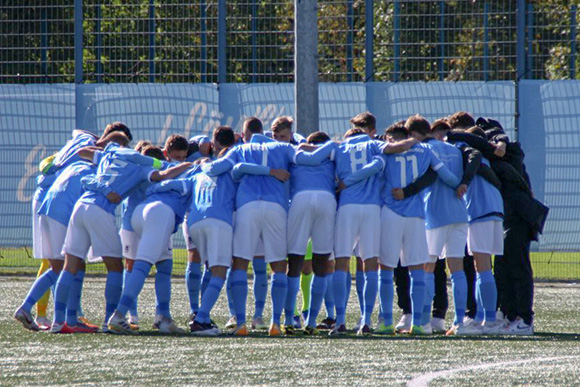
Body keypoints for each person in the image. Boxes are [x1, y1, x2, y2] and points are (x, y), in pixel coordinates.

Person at [201, 131, 336, 336]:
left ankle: (241, 324)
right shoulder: (283, 147)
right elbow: (312, 158)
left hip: (247, 207)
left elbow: (214, 168)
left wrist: (202, 163)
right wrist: (334, 144)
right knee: (279, 265)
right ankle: (275, 323)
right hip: (276, 208)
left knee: (240, 263)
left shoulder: (239, 149)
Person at [50, 140, 191, 333]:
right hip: (104, 210)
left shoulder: (110, 156)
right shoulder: (142, 167)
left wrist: (103, 151)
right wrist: (188, 164)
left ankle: (58, 322)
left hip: (80, 206)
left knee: (70, 265)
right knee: (117, 267)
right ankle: (112, 319)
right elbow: (163, 174)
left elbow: (83, 153)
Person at [345, 116, 461, 335]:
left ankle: (386, 321)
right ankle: (419, 323)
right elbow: (444, 174)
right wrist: (461, 185)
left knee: (386, 268)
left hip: (390, 214)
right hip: (417, 215)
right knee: (417, 269)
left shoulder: (385, 152)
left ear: (390, 139)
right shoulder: (426, 151)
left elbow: (372, 173)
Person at [330, 127, 418, 336]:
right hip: (372, 209)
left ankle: (340, 319)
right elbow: (400, 146)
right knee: (370, 264)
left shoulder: (340, 148)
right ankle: (366, 319)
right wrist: (416, 139)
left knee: (341, 263)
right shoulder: (373, 144)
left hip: (347, 207)